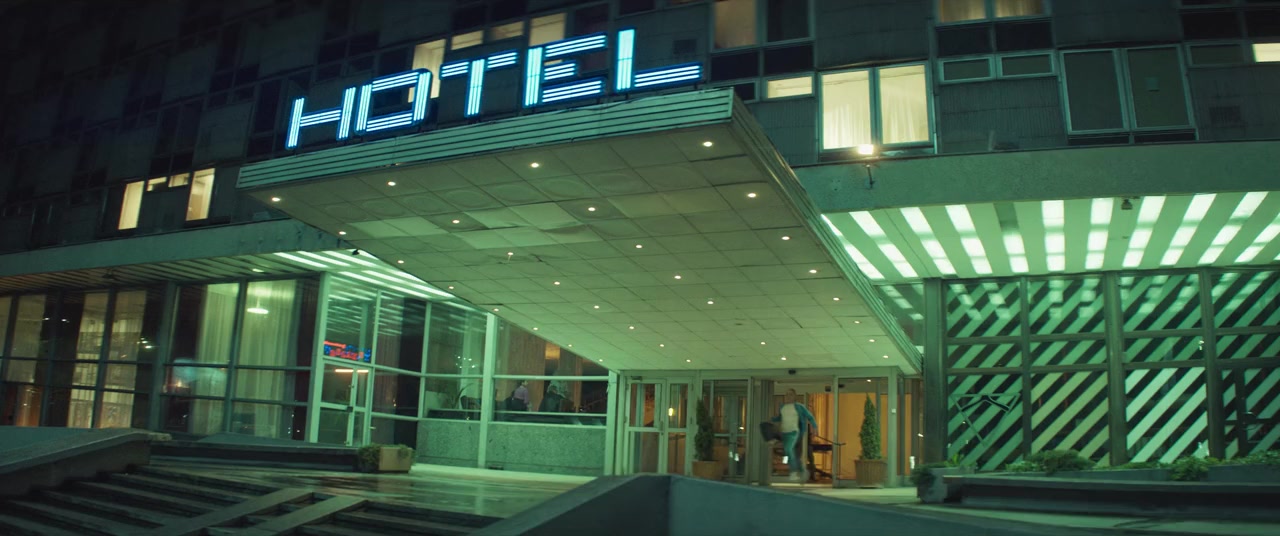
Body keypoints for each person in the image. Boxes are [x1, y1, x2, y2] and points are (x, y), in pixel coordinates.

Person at [772, 389, 818, 482]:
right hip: (784, 432)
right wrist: (772, 419)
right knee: (789, 453)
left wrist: (815, 428)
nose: (788, 396)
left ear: (794, 396)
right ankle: (802, 470)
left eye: (790, 394)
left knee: (789, 450)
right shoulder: (783, 407)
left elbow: (810, 416)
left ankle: (793, 473)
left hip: (794, 432)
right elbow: (780, 418)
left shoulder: (799, 407)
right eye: (787, 394)